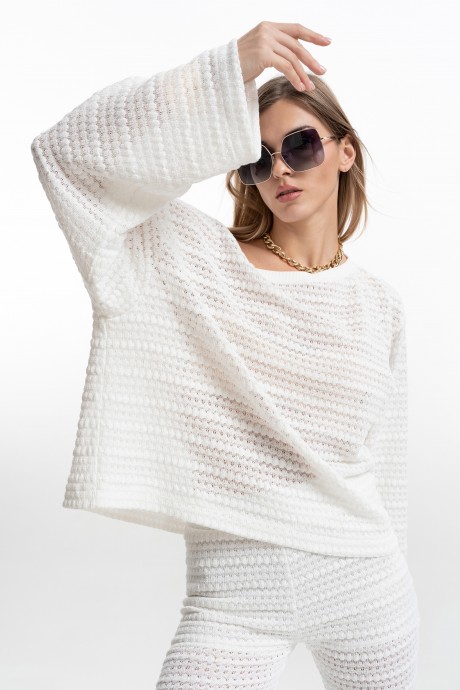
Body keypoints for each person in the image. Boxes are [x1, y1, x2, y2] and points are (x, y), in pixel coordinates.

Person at [31, 20, 420, 690]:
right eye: (257, 158)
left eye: (301, 145)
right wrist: (226, 70)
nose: (281, 169)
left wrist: (401, 565)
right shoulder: (189, 258)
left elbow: (386, 469)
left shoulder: (379, 305)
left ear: (345, 151)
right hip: (235, 598)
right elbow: (67, 154)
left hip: (370, 587)